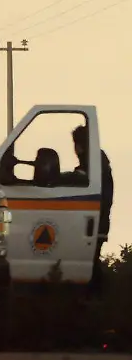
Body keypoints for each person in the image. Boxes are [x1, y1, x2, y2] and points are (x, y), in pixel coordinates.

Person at [72, 125, 114, 297]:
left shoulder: (94, 164)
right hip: (98, 221)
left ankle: (97, 302)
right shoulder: (98, 162)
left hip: (94, 222)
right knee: (92, 263)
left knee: (90, 265)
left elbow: (86, 183)